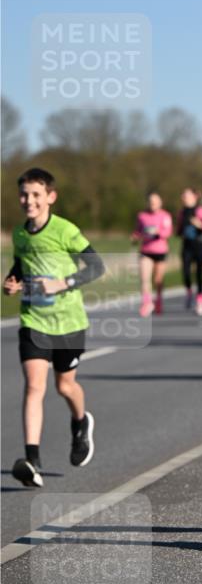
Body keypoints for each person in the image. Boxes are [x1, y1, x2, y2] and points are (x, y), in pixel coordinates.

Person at [3, 167, 105, 487]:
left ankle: (80, 422)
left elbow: (97, 266)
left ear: (50, 197)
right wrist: (11, 282)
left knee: (64, 387)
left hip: (69, 322)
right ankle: (32, 460)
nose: (28, 200)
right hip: (34, 321)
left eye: (35, 194)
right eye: (24, 194)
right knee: (34, 386)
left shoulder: (64, 230)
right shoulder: (20, 234)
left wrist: (64, 282)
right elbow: (20, 266)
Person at [176, 187, 202, 316]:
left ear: (195, 197)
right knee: (186, 273)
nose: (184, 197)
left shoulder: (200, 211)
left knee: (199, 273)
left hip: (199, 245)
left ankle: (200, 301)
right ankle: (189, 292)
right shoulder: (181, 212)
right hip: (186, 246)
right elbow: (178, 230)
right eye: (183, 195)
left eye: (186, 195)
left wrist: (200, 225)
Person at [131, 192, 173, 317]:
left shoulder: (165, 216)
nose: (152, 204)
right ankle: (147, 303)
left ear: (160, 203)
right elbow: (138, 231)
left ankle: (158, 301)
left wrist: (157, 232)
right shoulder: (142, 216)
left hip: (160, 251)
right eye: (150, 201)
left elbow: (168, 232)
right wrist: (134, 237)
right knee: (145, 278)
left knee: (158, 280)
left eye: (155, 201)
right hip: (146, 251)